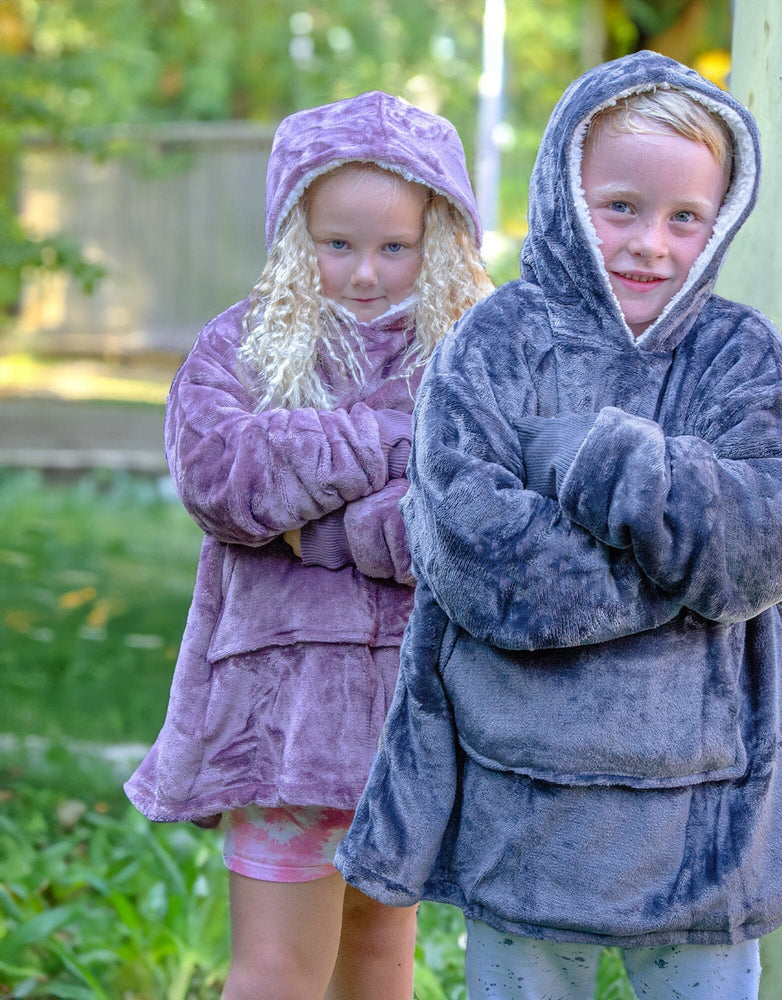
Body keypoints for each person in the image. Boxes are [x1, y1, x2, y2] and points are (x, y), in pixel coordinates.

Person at [335, 51, 782, 1000]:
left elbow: (773, 537)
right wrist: (682, 576)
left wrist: (599, 461)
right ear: (563, 193)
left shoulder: (739, 355)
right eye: (621, 206)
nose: (650, 245)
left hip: (703, 818)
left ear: (721, 221)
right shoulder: (493, 345)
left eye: (685, 218)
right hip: (521, 804)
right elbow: (481, 561)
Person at [124, 91, 492, 1000]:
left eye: (394, 247)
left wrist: (334, 523)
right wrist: (384, 440)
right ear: (298, 233)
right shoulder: (243, 344)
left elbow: (477, 510)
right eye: (338, 244)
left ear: (436, 236)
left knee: (377, 956)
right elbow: (224, 478)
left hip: (409, 713)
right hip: (279, 715)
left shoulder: (465, 355)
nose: (366, 272)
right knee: (278, 969)